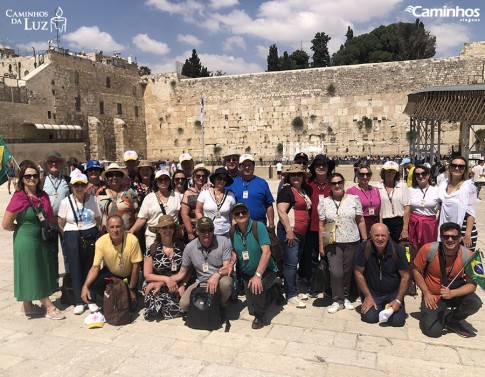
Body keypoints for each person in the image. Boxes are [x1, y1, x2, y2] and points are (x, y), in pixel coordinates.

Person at [2, 160, 65, 320]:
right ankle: (48, 306)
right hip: (26, 239)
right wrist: (23, 230)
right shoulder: (19, 197)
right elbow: (6, 224)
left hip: (41, 236)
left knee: (39, 269)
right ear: (22, 178)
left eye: (35, 175)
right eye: (28, 176)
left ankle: (27, 306)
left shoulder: (42, 195)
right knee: (32, 271)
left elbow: (50, 217)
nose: (32, 178)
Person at [412, 222, 483, 338]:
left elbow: (472, 285)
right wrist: (426, 293)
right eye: (446, 237)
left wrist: (452, 293)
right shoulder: (428, 249)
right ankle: (434, 315)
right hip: (433, 295)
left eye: (454, 237)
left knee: (474, 303)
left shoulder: (468, 256)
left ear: (460, 238)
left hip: (455, 292)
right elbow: (416, 270)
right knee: (433, 332)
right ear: (440, 237)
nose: (450, 240)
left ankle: (452, 320)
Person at [157, 217, 233, 313]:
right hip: (201, 282)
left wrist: (217, 275)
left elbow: (227, 268)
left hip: (219, 279)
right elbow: (181, 274)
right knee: (183, 305)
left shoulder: (223, 241)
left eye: (210, 230)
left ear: (213, 230)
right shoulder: (189, 247)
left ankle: (219, 305)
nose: (206, 233)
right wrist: (161, 282)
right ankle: (209, 306)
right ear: (197, 232)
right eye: (202, 230)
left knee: (227, 283)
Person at [319, 173, 367, 313]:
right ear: (330, 185)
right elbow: (322, 225)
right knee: (336, 272)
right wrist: (321, 244)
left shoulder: (354, 199)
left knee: (347, 271)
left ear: (344, 183)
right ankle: (337, 299)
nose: (337, 185)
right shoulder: (325, 202)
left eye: (339, 182)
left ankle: (345, 297)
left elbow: (361, 220)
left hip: (352, 240)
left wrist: (365, 241)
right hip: (333, 242)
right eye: (333, 183)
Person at [229, 203, 281, 329]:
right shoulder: (232, 231)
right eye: (237, 213)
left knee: (257, 288)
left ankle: (260, 317)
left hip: (266, 270)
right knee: (251, 309)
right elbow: (235, 250)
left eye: (244, 212)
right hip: (247, 273)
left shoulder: (258, 226)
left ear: (249, 213)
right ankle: (274, 292)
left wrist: (258, 275)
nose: (241, 215)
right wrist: (231, 263)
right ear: (233, 217)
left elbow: (266, 252)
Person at [58, 170, 101, 315]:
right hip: (72, 234)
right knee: (75, 268)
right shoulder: (66, 202)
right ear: (71, 186)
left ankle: (92, 298)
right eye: (76, 184)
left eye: (82, 184)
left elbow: (98, 219)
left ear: (86, 185)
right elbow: (61, 222)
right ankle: (79, 300)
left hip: (89, 233)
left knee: (91, 267)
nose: (79, 187)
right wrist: (70, 236)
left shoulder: (92, 200)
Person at [81, 215, 142, 308]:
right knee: (93, 284)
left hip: (129, 275)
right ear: (107, 229)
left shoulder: (132, 240)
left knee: (131, 307)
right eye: (112, 227)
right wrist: (85, 286)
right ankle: (111, 298)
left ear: (124, 227)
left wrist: (132, 290)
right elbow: (95, 267)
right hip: (112, 273)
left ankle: (127, 292)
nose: (115, 230)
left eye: (118, 226)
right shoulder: (101, 242)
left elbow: (136, 267)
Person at [354, 223, 409, 327]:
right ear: (370, 235)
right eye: (376, 235)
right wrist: (367, 296)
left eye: (383, 235)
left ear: (388, 235)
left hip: (393, 292)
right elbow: (358, 272)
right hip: (373, 292)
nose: (380, 239)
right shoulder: (364, 248)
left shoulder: (397, 250)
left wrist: (398, 300)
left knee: (397, 322)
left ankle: (388, 305)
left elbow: (405, 276)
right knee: (369, 318)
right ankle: (380, 305)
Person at [276, 165, 312, 308]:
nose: (296, 177)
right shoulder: (287, 190)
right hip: (290, 232)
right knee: (291, 264)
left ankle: (293, 289)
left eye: (299, 174)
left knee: (294, 262)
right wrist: (289, 231)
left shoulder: (301, 191)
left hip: (300, 232)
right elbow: (281, 211)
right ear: (289, 178)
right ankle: (290, 294)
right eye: (293, 175)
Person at [142, 215, 187, 320]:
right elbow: (147, 275)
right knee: (150, 289)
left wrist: (182, 284)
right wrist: (166, 280)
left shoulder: (182, 247)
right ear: (158, 230)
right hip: (157, 280)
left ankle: (165, 307)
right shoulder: (151, 249)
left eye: (170, 227)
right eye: (164, 227)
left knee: (182, 304)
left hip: (176, 282)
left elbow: (186, 270)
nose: (168, 230)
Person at [303, 154, 335, 294]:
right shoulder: (307, 183)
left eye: (324, 165)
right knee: (311, 257)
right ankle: (314, 284)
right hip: (311, 227)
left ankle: (328, 285)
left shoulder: (333, 183)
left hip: (329, 227)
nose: (321, 167)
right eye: (318, 165)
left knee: (329, 257)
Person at [130, 170, 182, 249]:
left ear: (170, 181)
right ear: (156, 182)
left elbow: (183, 214)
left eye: (166, 179)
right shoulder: (149, 198)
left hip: (171, 235)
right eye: (160, 179)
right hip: (153, 236)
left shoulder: (177, 196)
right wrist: (131, 231)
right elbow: (142, 218)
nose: (163, 181)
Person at [438, 156, 478, 251]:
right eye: (454, 165)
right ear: (449, 167)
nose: (457, 168)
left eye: (461, 166)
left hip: (464, 230)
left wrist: (467, 235)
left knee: (464, 263)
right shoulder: (443, 185)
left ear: (465, 169)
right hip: (446, 231)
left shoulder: (469, 187)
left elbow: (471, 213)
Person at [41, 150, 70, 279]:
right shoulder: (42, 181)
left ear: (60, 164)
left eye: (56, 161)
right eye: (51, 161)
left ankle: (69, 279)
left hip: (65, 221)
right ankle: (53, 279)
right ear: (47, 165)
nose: (54, 164)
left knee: (68, 251)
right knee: (52, 252)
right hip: (49, 221)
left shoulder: (67, 180)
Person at [227, 154, 275, 226]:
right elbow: (220, 192)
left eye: (249, 165)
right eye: (244, 165)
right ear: (240, 167)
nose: (247, 167)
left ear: (253, 166)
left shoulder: (262, 183)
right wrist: (209, 186)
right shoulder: (233, 183)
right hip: (239, 227)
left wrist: (271, 224)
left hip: (259, 225)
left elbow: (269, 205)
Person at [97, 163, 138, 232]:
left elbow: (136, 213)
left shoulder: (129, 192)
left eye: (117, 175)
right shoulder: (100, 192)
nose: (114, 177)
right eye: (110, 175)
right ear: (106, 178)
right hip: (106, 234)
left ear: (121, 177)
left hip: (126, 234)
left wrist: (133, 231)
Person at [195, 167, 236, 237]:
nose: (222, 181)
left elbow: (232, 215)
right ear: (214, 179)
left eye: (224, 179)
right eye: (219, 178)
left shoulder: (230, 195)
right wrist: (204, 225)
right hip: (209, 233)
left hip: (227, 233)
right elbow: (198, 211)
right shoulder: (205, 193)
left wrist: (234, 231)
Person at [377, 161, 410, 244]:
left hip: (398, 222)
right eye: (387, 171)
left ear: (396, 173)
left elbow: (407, 208)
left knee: (397, 249)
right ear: (383, 172)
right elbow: (379, 209)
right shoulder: (377, 187)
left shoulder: (402, 186)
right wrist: (381, 226)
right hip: (384, 221)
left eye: (392, 171)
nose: (390, 174)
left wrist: (405, 229)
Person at [408, 164, 439, 252]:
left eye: (423, 173)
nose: (420, 176)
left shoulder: (436, 190)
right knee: (414, 249)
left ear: (428, 175)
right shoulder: (410, 190)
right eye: (417, 175)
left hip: (430, 225)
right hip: (414, 224)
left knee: (429, 249)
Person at [347, 163, 381, 238]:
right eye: (362, 174)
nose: (365, 177)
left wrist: (380, 224)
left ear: (370, 176)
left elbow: (380, 210)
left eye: (367, 174)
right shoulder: (351, 191)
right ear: (358, 175)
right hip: (360, 223)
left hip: (375, 221)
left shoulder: (376, 190)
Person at [180, 164, 211, 241]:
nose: (201, 178)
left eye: (203, 176)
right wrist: (190, 232)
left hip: (209, 228)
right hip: (194, 228)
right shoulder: (188, 193)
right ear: (193, 177)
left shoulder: (210, 190)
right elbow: (184, 214)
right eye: (198, 176)